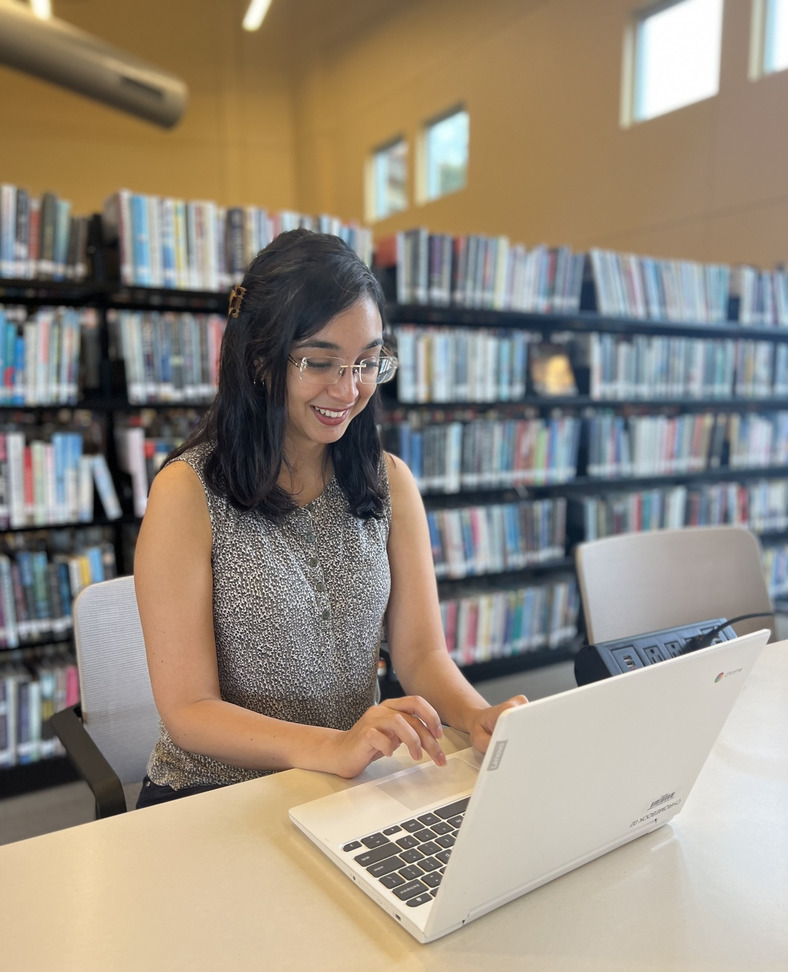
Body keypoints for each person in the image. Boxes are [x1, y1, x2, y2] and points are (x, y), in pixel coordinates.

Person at [133, 228, 526, 808]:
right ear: (262, 359)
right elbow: (189, 711)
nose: (348, 389)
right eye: (321, 362)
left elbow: (420, 656)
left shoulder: (389, 481)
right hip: (211, 795)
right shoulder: (186, 492)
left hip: (342, 784)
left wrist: (476, 715)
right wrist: (331, 746)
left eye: (367, 363)